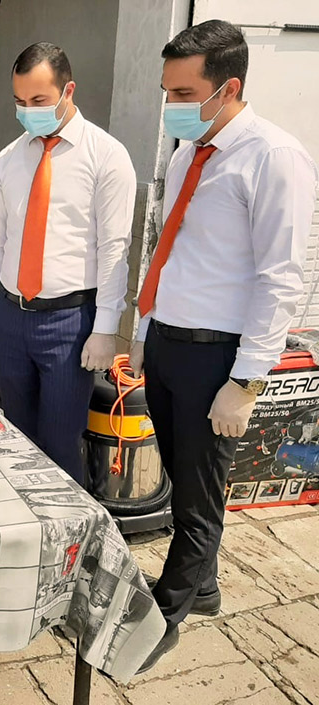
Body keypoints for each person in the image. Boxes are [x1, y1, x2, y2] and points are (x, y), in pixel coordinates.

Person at [129, 20, 318, 672]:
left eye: (184, 93)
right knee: (185, 478)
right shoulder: (189, 153)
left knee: (199, 498)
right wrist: (145, 331)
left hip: (218, 357)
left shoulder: (274, 157)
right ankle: (203, 586)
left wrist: (246, 382)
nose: (171, 105)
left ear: (228, 87)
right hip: (169, 344)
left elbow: (280, 278)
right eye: (167, 91)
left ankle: (164, 615)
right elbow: (170, 251)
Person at [0, 43, 136, 484]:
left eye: (39, 100)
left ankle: (68, 526)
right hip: (12, 317)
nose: (28, 111)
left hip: (69, 323)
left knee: (60, 443)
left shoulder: (106, 156)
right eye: (19, 101)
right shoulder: (8, 160)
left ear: (68, 91)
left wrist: (105, 329)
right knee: (15, 435)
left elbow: (114, 249)